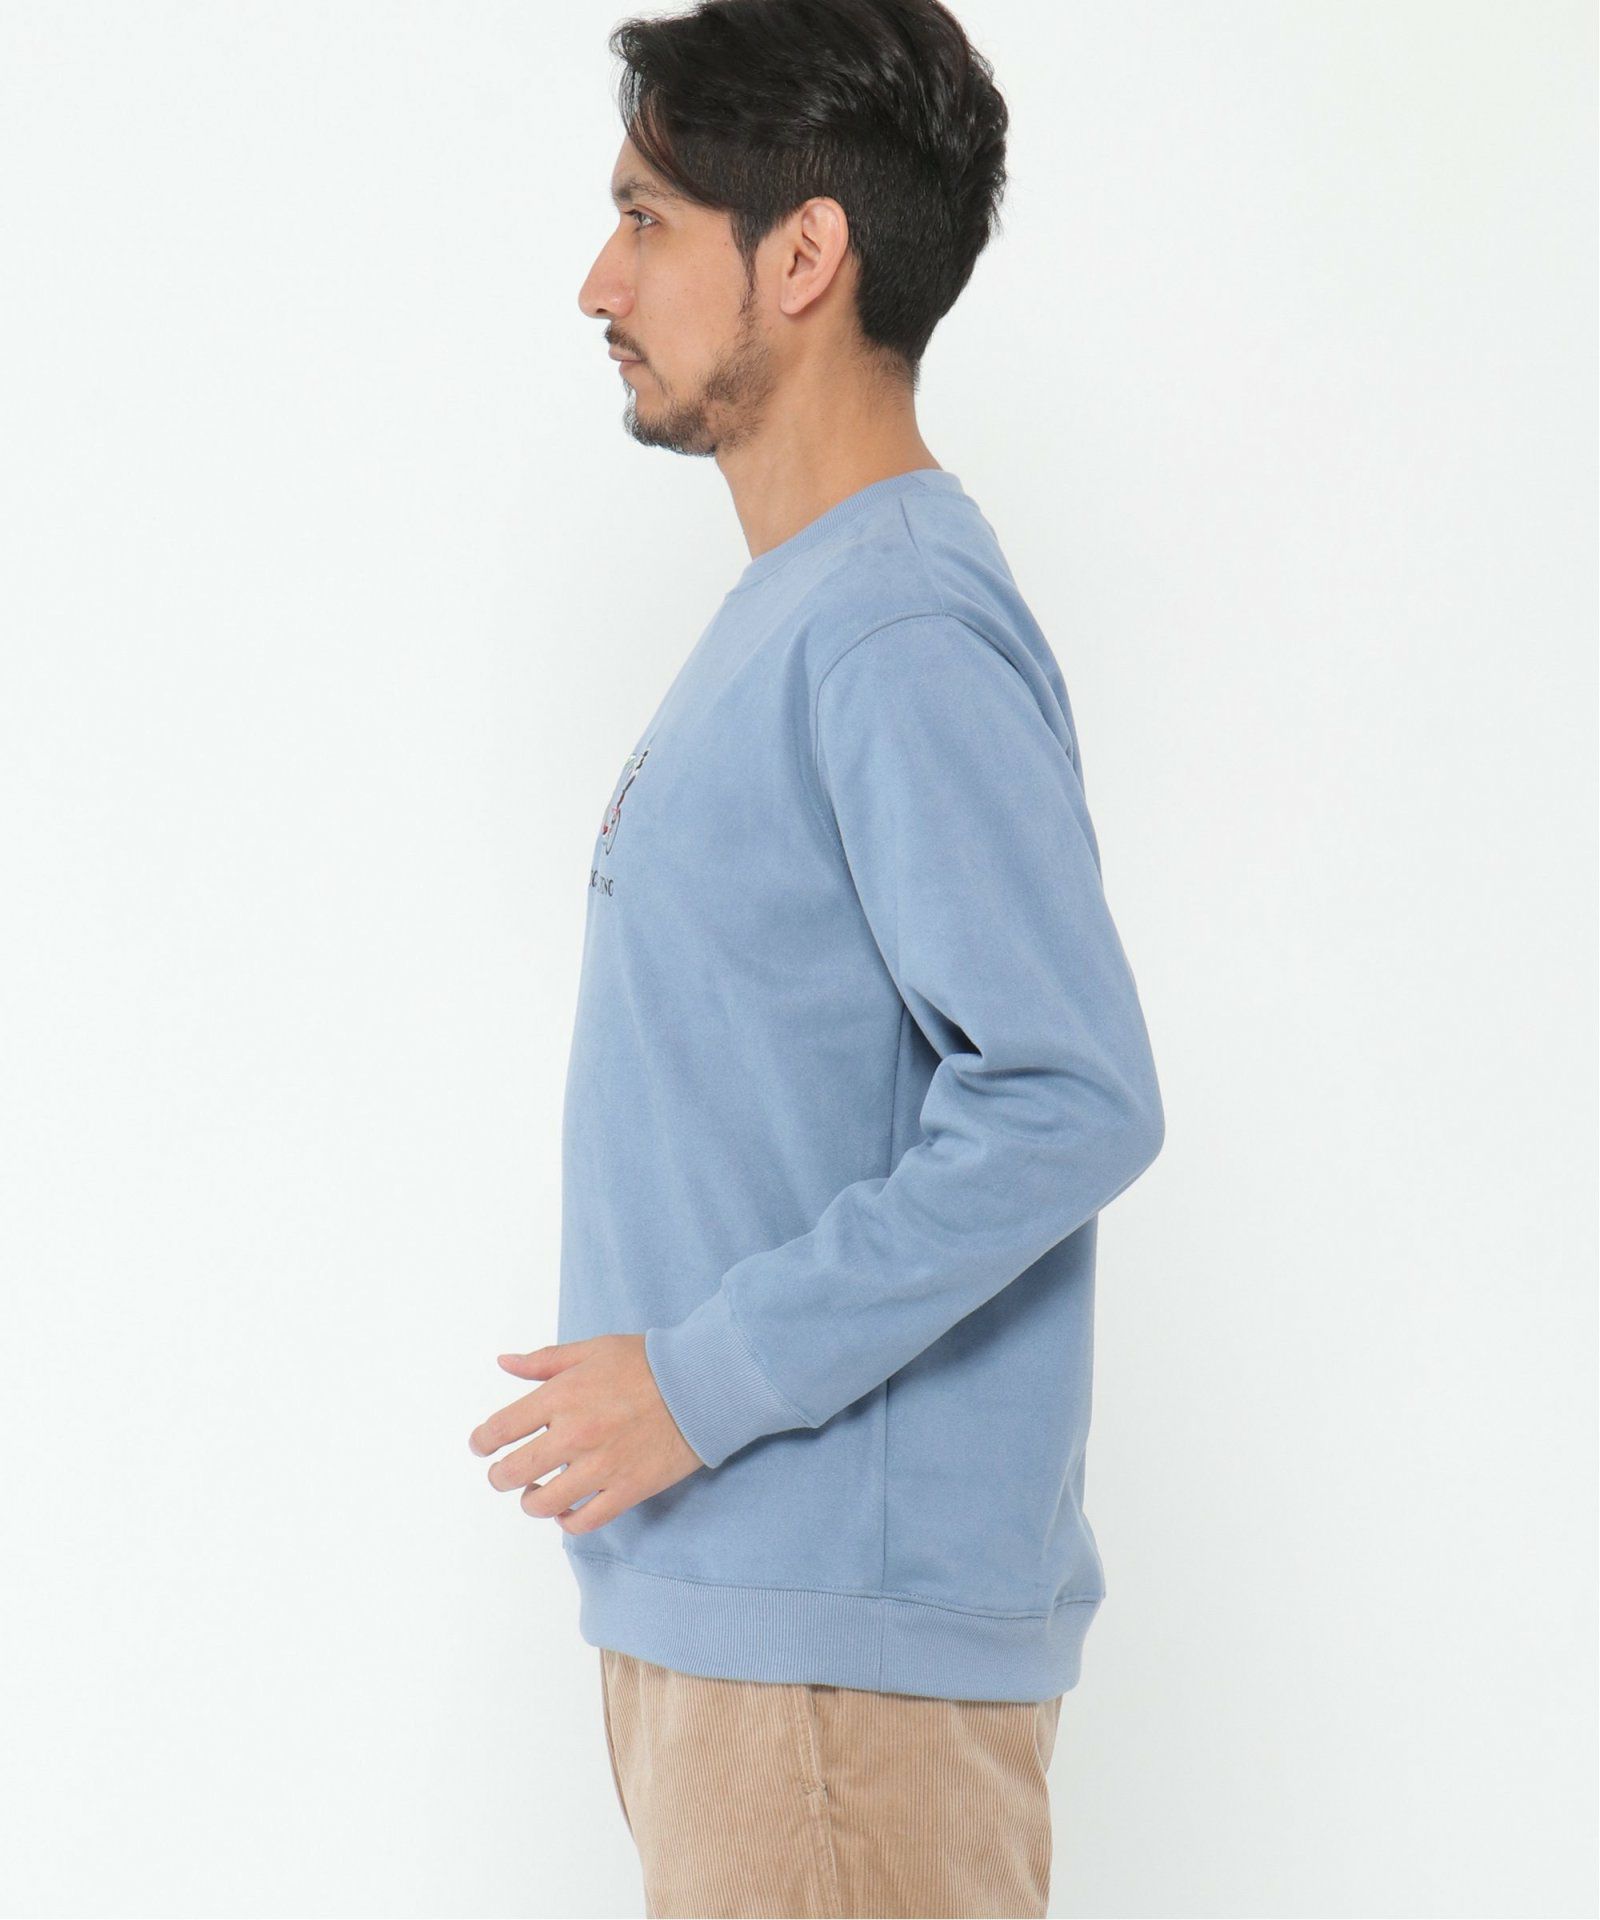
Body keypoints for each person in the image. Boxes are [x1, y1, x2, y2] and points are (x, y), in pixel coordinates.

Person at [467, 1, 1166, 1911]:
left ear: (803, 254)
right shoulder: (805, 612)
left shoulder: (894, 628)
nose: (599, 280)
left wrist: (697, 1383)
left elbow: (1071, 1094)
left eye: (647, 218)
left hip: (832, 1674)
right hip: (749, 1637)